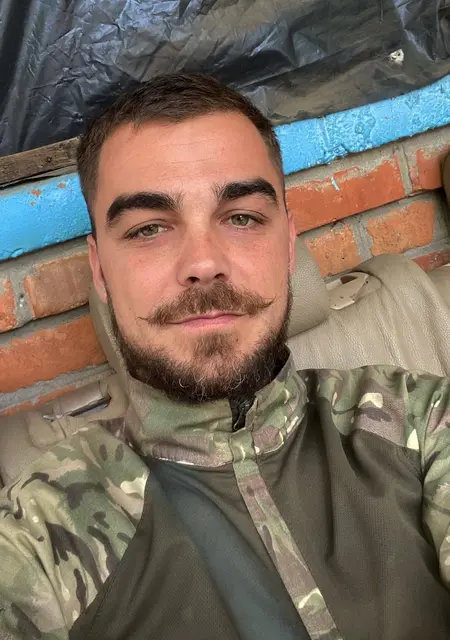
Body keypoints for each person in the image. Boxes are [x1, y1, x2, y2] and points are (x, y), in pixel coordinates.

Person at [0, 73, 450, 640]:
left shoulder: (416, 418)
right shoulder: (48, 531)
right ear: (99, 270)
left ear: (287, 243)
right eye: (148, 229)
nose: (203, 263)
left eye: (241, 217)